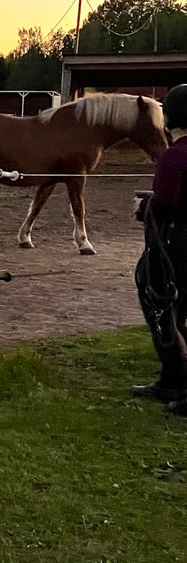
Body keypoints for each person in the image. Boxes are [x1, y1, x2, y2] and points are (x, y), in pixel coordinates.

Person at [133, 83, 187, 410]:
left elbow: (167, 201)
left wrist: (145, 206)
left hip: (177, 243)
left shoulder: (174, 156)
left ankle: (174, 379)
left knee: (161, 306)